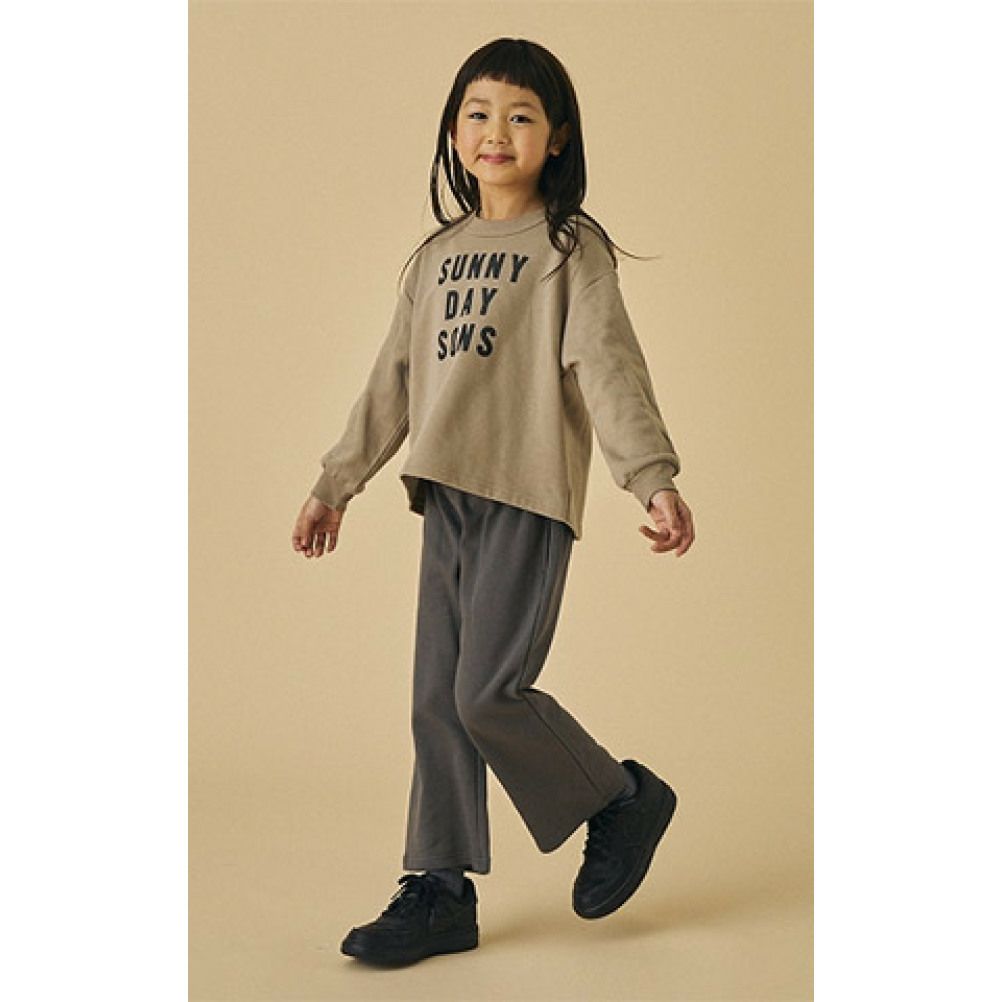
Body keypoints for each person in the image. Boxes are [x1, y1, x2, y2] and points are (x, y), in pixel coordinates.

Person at [291, 37, 696, 967]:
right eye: (477, 113)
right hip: (447, 498)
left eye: (520, 116)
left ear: (558, 137)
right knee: (438, 702)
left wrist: (651, 476)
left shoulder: (568, 249)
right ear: (453, 130)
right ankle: (439, 889)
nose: (495, 132)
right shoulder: (437, 256)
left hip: (525, 494)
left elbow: (607, 367)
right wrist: (334, 483)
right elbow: (392, 383)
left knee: (486, 694)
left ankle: (621, 798)